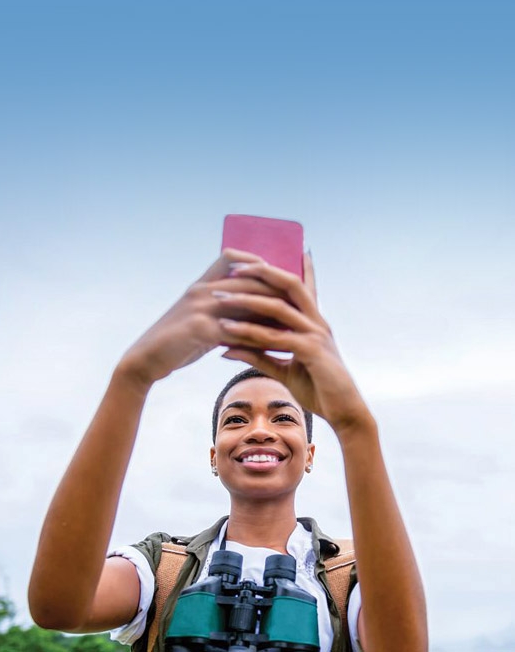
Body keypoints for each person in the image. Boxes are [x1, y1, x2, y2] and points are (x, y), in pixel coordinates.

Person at [28, 249, 428, 652]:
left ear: (309, 455)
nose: (258, 431)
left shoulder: (352, 574)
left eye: (283, 418)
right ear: (214, 458)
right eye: (235, 420)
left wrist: (356, 426)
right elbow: (58, 608)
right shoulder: (164, 566)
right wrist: (132, 378)